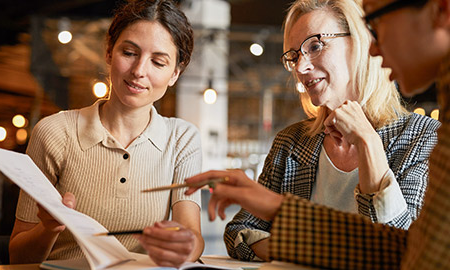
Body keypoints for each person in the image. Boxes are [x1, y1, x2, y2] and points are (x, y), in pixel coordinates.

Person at [186, 0, 450, 268]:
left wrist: (369, 144)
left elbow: (400, 249)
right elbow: (238, 232)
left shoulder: (425, 137)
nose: (300, 68)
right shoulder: (292, 141)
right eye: (294, 56)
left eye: (315, 45)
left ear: (358, 41)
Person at [9, 0, 204, 267]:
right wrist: (49, 228)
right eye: (129, 52)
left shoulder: (182, 139)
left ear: (175, 74)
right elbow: (18, 257)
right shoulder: (54, 132)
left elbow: (192, 235)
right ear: (109, 51)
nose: (139, 71)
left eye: (158, 62)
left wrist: (184, 245)